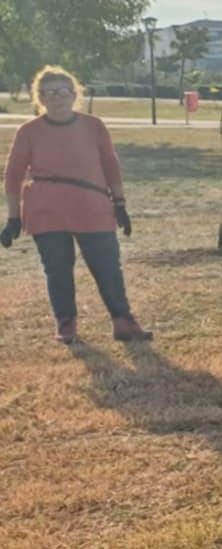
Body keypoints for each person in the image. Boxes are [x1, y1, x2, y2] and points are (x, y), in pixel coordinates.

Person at [3, 65, 151, 344]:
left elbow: (110, 165)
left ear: (74, 94)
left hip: (92, 206)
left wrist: (119, 203)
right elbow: (12, 177)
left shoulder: (93, 126)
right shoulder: (29, 132)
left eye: (63, 91)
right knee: (57, 269)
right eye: (50, 93)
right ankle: (66, 323)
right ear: (41, 98)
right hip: (47, 211)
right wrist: (13, 218)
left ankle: (123, 320)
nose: (58, 98)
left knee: (107, 266)